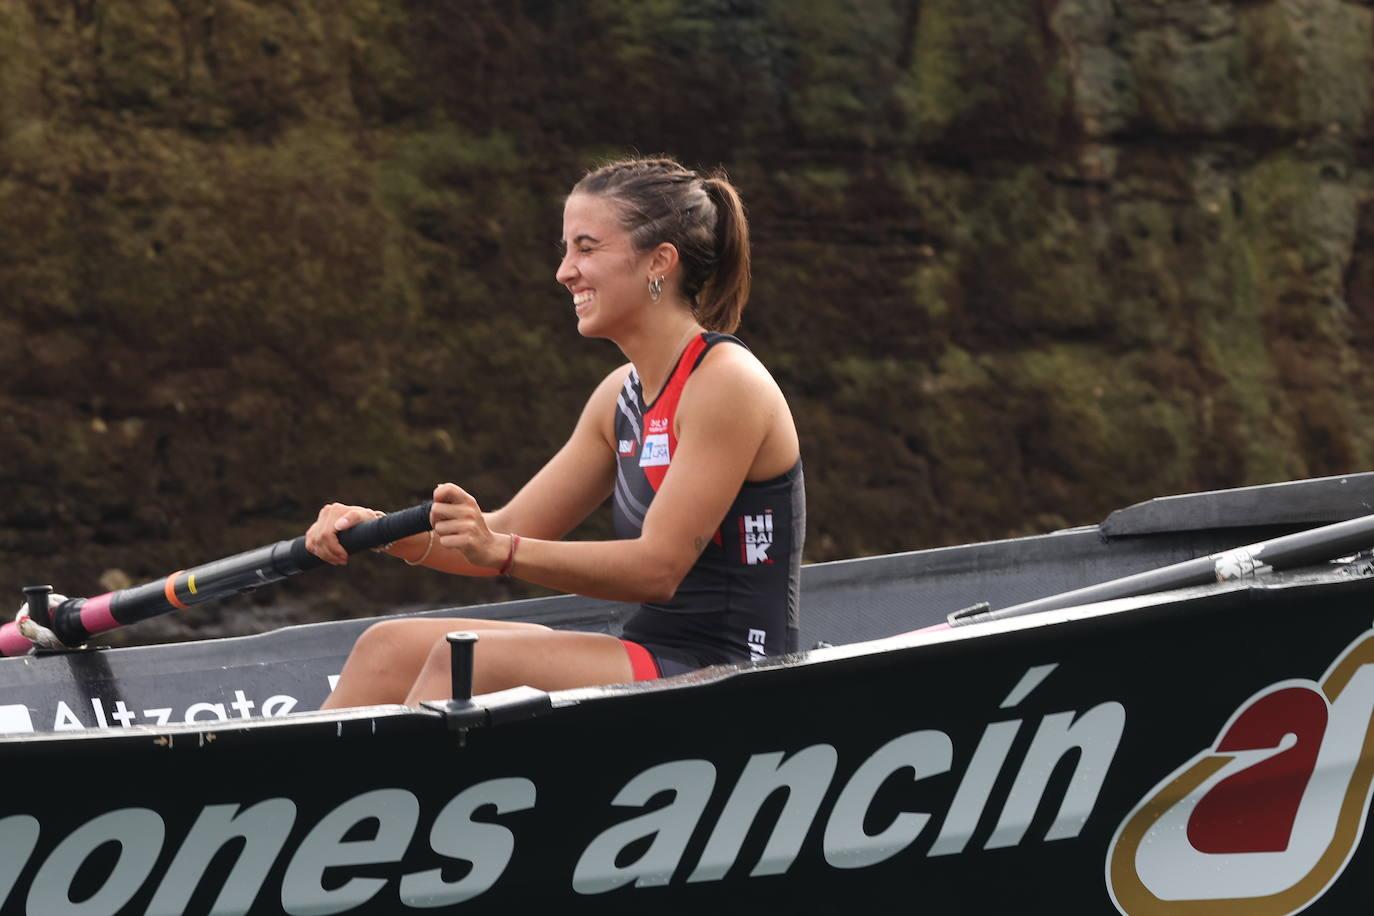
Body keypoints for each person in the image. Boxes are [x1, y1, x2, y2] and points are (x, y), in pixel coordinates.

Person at [310, 157, 804, 708]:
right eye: (566, 249)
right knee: (388, 647)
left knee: (466, 662)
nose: (564, 271)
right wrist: (374, 532)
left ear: (659, 262)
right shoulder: (621, 396)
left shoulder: (725, 383)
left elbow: (657, 569)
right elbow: (505, 529)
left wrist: (499, 549)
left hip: (736, 670)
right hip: (652, 650)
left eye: (587, 248)